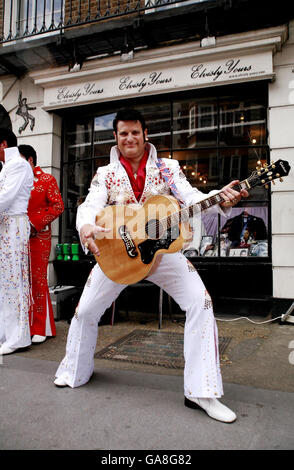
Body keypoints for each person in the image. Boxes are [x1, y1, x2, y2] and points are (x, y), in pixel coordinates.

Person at [54, 108, 248, 423]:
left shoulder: (169, 168)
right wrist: (86, 225)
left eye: (135, 132)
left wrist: (221, 197)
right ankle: (75, 371)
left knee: (201, 302)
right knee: (86, 310)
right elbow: (90, 203)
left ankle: (202, 391)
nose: (129, 138)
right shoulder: (105, 173)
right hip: (118, 252)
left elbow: (191, 198)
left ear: (145, 134)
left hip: (162, 254)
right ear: (115, 138)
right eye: (123, 133)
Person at [18, 145, 64, 344]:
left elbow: (58, 206)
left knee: (37, 279)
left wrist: (34, 223)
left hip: (39, 236)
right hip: (17, 238)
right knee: (21, 282)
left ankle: (40, 327)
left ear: (29, 160)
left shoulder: (47, 180)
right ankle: (26, 326)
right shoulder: (16, 181)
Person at [0, 129, 34, 355]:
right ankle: (6, 333)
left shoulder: (19, 165)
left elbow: (5, 198)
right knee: (4, 282)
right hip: (5, 225)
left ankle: (18, 337)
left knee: (14, 281)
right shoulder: (8, 167)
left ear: (2, 144)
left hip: (13, 225)